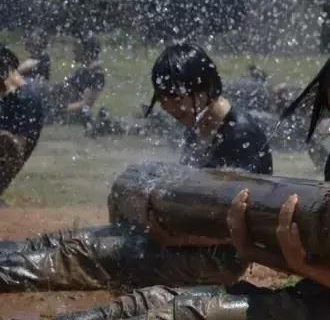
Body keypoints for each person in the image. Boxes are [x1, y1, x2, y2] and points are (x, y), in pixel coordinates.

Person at [57, 40, 330, 320]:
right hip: (302, 304)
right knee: (148, 303)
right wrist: (249, 245)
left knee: (181, 315)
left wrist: (298, 263)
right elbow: (319, 260)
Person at [0, 43, 273, 292]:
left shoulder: (241, 136)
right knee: (67, 241)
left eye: (174, 97)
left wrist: (168, 237)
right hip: (178, 243)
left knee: (80, 254)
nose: (168, 107)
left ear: (202, 89)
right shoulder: (198, 127)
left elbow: (244, 226)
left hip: (213, 261)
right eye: (163, 98)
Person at [0, 45, 46, 203]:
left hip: (7, 159)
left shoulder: (26, 99)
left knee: (6, 141)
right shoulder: (9, 97)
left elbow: (16, 149)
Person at [46, 34, 105, 125]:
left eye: (77, 47)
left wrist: (59, 110)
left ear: (87, 51)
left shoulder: (96, 74)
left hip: (71, 115)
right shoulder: (83, 71)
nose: (74, 50)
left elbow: (86, 104)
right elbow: (61, 87)